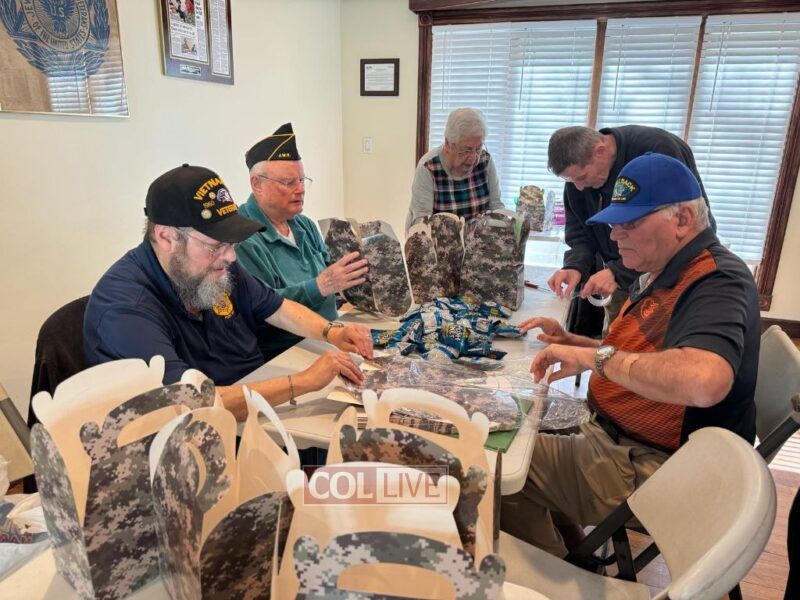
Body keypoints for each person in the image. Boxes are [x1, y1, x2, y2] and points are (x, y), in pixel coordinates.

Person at [501, 152, 759, 558]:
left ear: (682, 220)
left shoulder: (717, 280)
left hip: (656, 468)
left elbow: (703, 380)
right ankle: (576, 554)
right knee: (515, 421)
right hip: (619, 438)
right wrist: (575, 343)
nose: (615, 236)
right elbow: (638, 356)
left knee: (496, 463)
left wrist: (595, 360)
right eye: (614, 223)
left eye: (631, 223)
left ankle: (556, 575)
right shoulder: (665, 270)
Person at [84, 164, 372, 421]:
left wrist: (331, 332)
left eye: (232, 244)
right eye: (215, 246)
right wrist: (303, 382)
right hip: (198, 433)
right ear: (166, 237)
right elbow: (189, 403)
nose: (231, 256)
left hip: (254, 405)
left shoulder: (214, 266)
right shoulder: (125, 307)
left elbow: (276, 307)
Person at [547, 125, 714, 321]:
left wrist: (617, 272)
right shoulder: (579, 178)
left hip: (669, 277)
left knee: (651, 335)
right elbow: (580, 232)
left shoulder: (658, 150)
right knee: (616, 336)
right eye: (571, 181)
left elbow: (671, 235)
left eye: (582, 177)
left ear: (600, 151)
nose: (579, 187)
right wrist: (575, 266)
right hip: (622, 272)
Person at [235, 123, 368, 360]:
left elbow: (331, 281)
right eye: (288, 183)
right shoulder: (243, 238)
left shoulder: (304, 224)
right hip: (285, 351)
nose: (300, 190)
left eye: (302, 180)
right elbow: (263, 308)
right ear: (257, 184)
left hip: (329, 335)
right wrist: (320, 286)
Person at [405, 108, 504, 231]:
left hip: (477, 239)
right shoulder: (428, 167)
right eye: (466, 150)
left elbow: (496, 206)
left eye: (478, 149)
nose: (473, 158)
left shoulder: (485, 161)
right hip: (438, 239)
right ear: (448, 144)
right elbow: (421, 222)